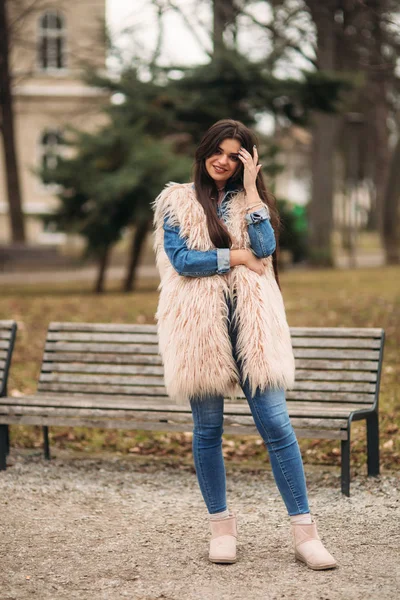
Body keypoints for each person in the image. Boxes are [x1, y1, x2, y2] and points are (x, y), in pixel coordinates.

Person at [151, 119, 337, 570]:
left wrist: (252, 190)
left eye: (236, 155)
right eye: (219, 150)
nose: (224, 160)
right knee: (208, 431)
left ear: (245, 161)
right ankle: (221, 528)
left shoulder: (252, 200)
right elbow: (182, 261)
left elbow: (266, 246)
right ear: (205, 151)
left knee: (277, 427)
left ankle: (305, 533)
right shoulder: (178, 200)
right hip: (200, 330)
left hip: (253, 326)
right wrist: (235, 256)